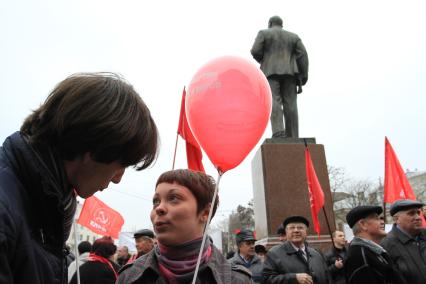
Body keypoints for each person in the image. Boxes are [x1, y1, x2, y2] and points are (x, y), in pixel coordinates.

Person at [0, 72, 159, 284]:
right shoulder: (8, 210)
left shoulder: (44, 205)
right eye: (121, 165)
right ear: (96, 148)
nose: (117, 180)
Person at [117, 169, 252, 283]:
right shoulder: (128, 277)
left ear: (205, 212)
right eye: (156, 201)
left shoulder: (237, 280)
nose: (159, 208)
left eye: (174, 198)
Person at [251, 15, 309, 138]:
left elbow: (255, 51)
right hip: (290, 74)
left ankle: (278, 132)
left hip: (270, 73)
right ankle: (293, 135)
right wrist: (304, 75)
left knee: (274, 101)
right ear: (281, 24)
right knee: (291, 104)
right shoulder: (294, 37)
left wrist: (264, 59)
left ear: (270, 23)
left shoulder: (264, 33)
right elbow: (303, 55)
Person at [344, 206, 405, 284]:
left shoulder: (370, 251)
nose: (382, 222)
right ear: (363, 224)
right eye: (376, 218)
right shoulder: (359, 257)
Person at [263, 216, 330, 284]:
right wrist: (294, 278)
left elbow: (327, 277)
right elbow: (267, 280)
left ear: (306, 231)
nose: (296, 230)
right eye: (292, 228)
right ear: (286, 232)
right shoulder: (274, 253)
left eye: (300, 227)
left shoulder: (316, 254)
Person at [381, 199, 426, 284]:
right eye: (411, 213)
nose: (418, 217)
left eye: (418, 213)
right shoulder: (386, 245)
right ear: (397, 219)